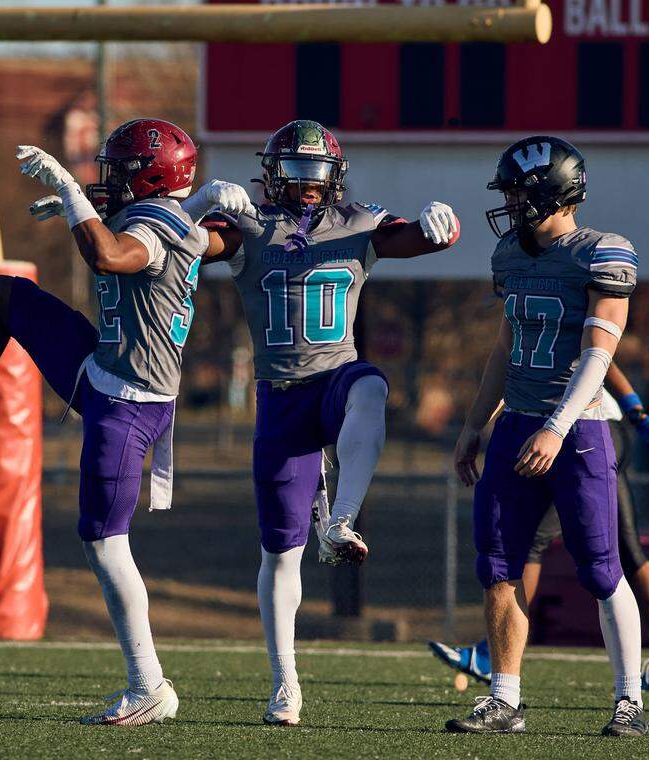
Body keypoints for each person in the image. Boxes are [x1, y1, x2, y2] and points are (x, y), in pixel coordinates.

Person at [0, 119, 251, 726]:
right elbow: (183, 230)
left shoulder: (153, 230)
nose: (108, 182)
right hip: (101, 368)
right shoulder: (170, 219)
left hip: (131, 401)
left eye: (120, 172)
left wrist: (75, 192)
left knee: (103, 541)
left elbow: (109, 256)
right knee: (3, 297)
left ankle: (148, 683)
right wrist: (197, 202)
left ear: (150, 180)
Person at [197, 120, 461, 726]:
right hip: (281, 397)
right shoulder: (249, 227)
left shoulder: (359, 222)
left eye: (318, 173)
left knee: (371, 383)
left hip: (332, 380)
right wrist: (203, 202)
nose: (308, 186)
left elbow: (413, 238)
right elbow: (185, 248)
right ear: (271, 173)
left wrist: (440, 226)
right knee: (279, 555)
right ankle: (285, 683)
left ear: (336, 176)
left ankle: (341, 517)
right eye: (295, 171)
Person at [445, 136, 648, 737]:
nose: (508, 202)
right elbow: (506, 348)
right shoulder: (510, 255)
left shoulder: (604, 252)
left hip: (579, 430)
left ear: (550, 193)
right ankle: (505, 699)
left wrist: (557, 427)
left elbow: (598, 353)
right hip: (515, 427)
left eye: (516, 190)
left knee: (601, 567)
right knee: (497, 564)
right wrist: (473, 427)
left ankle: (629, 700)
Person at [429, 364, 649, 691]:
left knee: (544, 549)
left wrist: (476, 426)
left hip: (582, 435)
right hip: (600, 432)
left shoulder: (549, 318)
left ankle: (490, 655)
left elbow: (598, 358)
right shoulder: (533, 323)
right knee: (625, 550)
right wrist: (638, 416)